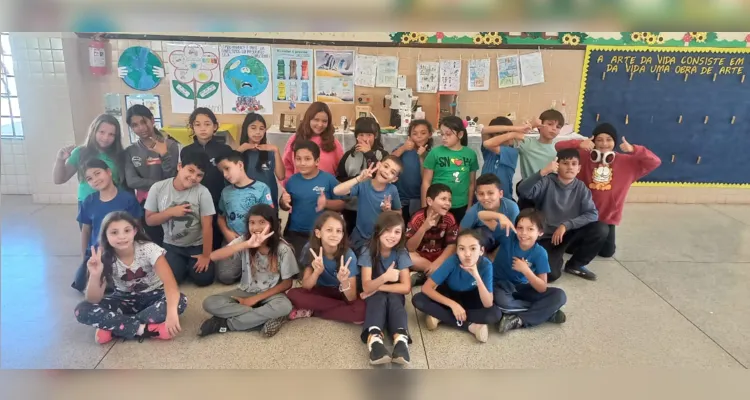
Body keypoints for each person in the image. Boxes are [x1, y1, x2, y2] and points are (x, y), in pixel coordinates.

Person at [73, 211, 187, 344]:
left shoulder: (150, 250)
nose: (121, 237)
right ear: (106, 236)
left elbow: (170, 284)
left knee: (181, 301)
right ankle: (143, 329)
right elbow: (93, 299)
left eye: (126, 231)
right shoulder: (104, 257)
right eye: (114, 232)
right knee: (82, 309)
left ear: (134, 231)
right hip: (124, 299)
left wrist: (171, 313)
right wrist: (95, 274)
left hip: (154, 296)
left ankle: (115, 326)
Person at [555, 123, 661, 257]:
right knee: (569, 249)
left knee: (607, 253)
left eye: (609, 139)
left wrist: (634, 149)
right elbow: (558, 147)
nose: (604, 144)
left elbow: (655, 162)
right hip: (581, 215)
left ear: (614, 142)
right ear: (593, 142)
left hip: (607, 218)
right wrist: (580, 143)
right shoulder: (584, 157)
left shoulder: (628, 162)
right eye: (599, 140)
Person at [199, 204, 297, 338]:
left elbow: (287, 283)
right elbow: (213, 256)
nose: (256, 227)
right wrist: (246, 245)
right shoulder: (245, 240)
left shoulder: (283, 248)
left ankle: (226, 324)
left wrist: (254, 299)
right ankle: (262, 318)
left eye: (262, 222)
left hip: (271, 294)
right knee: (209, 302)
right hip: (246, 290)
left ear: (272, 224)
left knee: (284, 306)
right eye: (252, 223)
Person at [517, 149, 608, 281]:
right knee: (551, 275)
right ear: (557, 165)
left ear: (579, 168)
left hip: (569, 232)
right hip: (549, 237)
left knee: (601, 229)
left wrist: (566, 225)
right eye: (565, 163)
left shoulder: (581, 188)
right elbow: (523, 191)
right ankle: (554, 257)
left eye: (574, 163)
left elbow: (592, 214)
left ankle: (575, 265)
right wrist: (543, 172)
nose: (570, 167)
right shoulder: (547, 181)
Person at [411, 230, 502, 343]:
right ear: (457, 251)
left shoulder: (486, 265)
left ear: (481, 250)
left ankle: (441, 317)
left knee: (495, 314)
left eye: (473, 248)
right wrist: (453, 305)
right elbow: (426, 288)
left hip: (471, 297)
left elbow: (488, 303)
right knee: (418, 299)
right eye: (462, 248)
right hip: (450, 294)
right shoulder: (452, 261)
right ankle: (470, 326)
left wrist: (477, 276)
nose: (467, 254)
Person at [144, 149, 216, 286]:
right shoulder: (158, 188)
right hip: (172, 246)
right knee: (170, 280)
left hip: (196, 246)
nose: (194, 177)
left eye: (199, 175)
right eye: (190, 170)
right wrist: (170, 212)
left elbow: (207, 226)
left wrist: (206, 256)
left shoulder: (203, 192)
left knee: (205, 279)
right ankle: (181, 265)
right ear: (179, 166)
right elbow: (149, 220)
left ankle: (189, 265)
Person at [489, 208, 567, 334]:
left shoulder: (540, 253)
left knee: (560, 296)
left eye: (530, 229)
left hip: (521, 287)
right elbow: (482, 216)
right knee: (502, 304)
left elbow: (542, 287)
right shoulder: (508, 236)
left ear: (540, 232)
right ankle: (546, 312)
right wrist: (499, 216)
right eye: (520, 228)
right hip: (499, 285)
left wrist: (526, 271)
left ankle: (520, 319)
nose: (524, 233)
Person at [72, 159, 142, 293]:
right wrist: (84, 257)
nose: (95, 180)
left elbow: (137, 228)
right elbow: (86, 231)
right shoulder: (89, 202)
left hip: (121, 251)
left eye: (97, 173)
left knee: (122, 284)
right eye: (90, 178)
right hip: (97, 253)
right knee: (81, 282)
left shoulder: (127, 199)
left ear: (109, 172)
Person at [286, 212, 365, 324]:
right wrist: (316, 273)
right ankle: (336, 310)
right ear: (318, 233)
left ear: (342, 235)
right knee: (292, 294)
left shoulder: (348, 255)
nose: (334, 234)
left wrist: (344, 281)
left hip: (340, 293)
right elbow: (306, 286)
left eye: (338, 231)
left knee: (361, 310)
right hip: (320, 291)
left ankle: (314, 311)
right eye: (329, 230)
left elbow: (351, 298)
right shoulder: (311, 248)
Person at [359, 211, 413, 366]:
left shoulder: (401, 252)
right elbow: (366, 285)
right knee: (378, 299)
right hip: (375, 293)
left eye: (397, 232)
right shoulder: (367, 250)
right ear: (378, 231)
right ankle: (375, 340)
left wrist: (378, 287)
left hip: (390, 291)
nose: (392, 236)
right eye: (388, 230)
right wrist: (385, 278)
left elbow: (406, 287)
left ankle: (401, 340)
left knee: (395, 301)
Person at [215, 150, 274, 284]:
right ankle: (243, 264)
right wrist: (227, 233)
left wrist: (260, 239)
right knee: (226, 276)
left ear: (240, 165)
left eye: (227, 168)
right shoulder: (226, 192)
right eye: (222, 171)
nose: (225, 174)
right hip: (234, 240)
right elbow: (220, 217)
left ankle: (249, 264)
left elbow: (271, 217)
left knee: (266, 276)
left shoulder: (262, 188)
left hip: (258, 240)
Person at [123, 104, 179, 246]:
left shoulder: (170, 145)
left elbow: (171, 176)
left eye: (144, 122)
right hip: (145, 204)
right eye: (135, 125)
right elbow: (132, 181)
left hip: (168, 202)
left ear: (152, 120)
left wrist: (164, 154)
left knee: (171, 242)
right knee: (153, 243)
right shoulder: (131, 151)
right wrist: (158, 184)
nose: (141, 128)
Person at [52, 114, 125, 223]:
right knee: (89, 237)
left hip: (113, 204)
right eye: (102, 132)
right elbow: (59, 180)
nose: (105, 138)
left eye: (111, 134)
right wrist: (60, 160)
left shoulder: (119, 155)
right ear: (94, 131)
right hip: (87, 204)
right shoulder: (80, 152)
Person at [180, 107, 232, 250]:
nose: (203, 128)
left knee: (216, 236)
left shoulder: (224, 150)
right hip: (194, 201)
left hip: (217, 200)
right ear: (192, 127)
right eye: (198, 124)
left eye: (207, 124)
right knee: (195, 234)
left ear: (215, 126)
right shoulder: (187, 151)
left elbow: (230, 176)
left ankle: (213, 264)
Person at [281, 140, 346, 256]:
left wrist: (326, 203)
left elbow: (342, 203)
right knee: (299, 268)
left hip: (321, 233)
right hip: (296, 233)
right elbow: (285, 206)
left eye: (307, 159)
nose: (302, 163)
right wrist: (283, 202)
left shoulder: (328, 179)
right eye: (298, 159)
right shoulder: (292, 181)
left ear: (317, 161)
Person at [334, 155, 402, 252]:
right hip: (358, 236)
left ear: (394, 179)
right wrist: (359, 178)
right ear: (378, 165)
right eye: (386, 166)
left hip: (379, 239)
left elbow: (399, 213)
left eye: (392, 172)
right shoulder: (363, 184)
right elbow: (337, 191)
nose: (387, 172)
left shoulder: (393, 190)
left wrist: (389, 211)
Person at [336, 117, 389, 235]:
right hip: (351, 208)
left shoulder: (383, 155)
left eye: (369, 135)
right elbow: (339, 179)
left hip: (375, 208)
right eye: (361, 135)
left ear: (375, 135)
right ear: (356, 136)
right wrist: (357, 179)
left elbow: (382, 176)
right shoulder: (349, 156)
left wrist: (369, 153)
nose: (365, 139)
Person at [422, 116, 479, 223]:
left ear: (460, 134)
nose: (443, 137)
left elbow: (472, 183)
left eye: (448, 134)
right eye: (442, 134)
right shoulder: (435, 153)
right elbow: (426, 182)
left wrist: (470, 206)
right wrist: (425, 207)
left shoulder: (470, 155)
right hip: (437, 204)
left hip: (461, 204)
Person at [405, 183, 458, 286]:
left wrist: (437, 264)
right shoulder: (418, 217)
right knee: (405, 256)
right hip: (421, 256)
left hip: (439, 257)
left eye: (449, 200)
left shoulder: (449, 218)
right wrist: (423, 228)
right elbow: (410, 248)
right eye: (443, 199)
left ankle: (424, 276)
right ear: (430, 201)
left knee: (456, 256)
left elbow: (451, 246)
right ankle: (437, 274)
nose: (447, 203)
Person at [460, 174, 520, 260]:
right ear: (476, 195)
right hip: (483, 247)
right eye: (481, 194)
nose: (485, 198)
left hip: (505, 243)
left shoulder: (512, 207)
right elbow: (461, 235)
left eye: (490, 193)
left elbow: (515, 236)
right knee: (480, 233)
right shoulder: (473, 211)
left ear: (500, 194)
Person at [281, 102, 344, 185]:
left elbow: (342, 170)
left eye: (324, 121)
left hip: (326, 192)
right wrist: (287, 187)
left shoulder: (333, 143)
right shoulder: (295, 140)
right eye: (316, 120)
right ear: (308, 119)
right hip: (299, 190)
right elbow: (286, 167)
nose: (320, 124)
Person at [515, 109, 565, 210]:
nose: (554, 129)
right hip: (529, 192)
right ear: (540, 125)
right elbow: (508, 136)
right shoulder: (527, 144)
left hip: (548, 195)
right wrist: (531, 125)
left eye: (558, 127)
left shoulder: (558, 149)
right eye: (550, 124)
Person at [236, 113, 285, 209]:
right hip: (246, 203)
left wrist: (276, 150)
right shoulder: (239, 153)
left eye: (261, 128)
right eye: (253, 128)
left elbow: (281, 176)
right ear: (246, 129)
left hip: (268, 202)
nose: (258, 132)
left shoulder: (270, 152)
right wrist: (239, 151)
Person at [480, 116, 531, 200]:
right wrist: (514, 131)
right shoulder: (488, 151)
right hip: (485, 196)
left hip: (504, 197)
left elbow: (488, 144)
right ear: (492, 136)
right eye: (499, 134)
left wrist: (512, 133)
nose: (504, 137)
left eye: (506, 134)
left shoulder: (512, 152)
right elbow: (484, 130)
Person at [392, 119, 433, 223]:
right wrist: (403, 148)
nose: (419, 136)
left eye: (423, 133)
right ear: (409, 136)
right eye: (415, 133)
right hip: (400, 197)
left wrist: (422, 157)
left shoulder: (431, 154)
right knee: (400, 224)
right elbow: (389, 160)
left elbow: (425, 178)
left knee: (415, 224)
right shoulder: (403, 148)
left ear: (430, 134)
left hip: (419, 199)